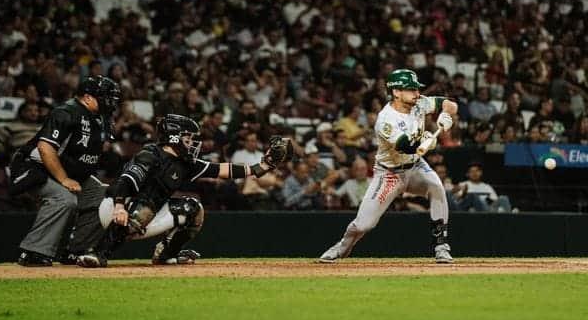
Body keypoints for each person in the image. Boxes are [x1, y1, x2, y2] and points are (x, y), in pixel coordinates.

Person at [73, 114, 292, 267]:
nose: (193, 143)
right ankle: (98, 253)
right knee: (146, 204)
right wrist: (120, 206)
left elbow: (222, 170)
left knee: (193, 208)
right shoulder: (151, 154)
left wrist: (263, 166)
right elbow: (125, 180)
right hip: (116, 208)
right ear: (175, 137)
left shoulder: (188, 163)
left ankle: (166, 254)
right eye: (189, 138)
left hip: (147, 215)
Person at [319, 69, 458, 264]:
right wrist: (428, 141)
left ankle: (441, 246)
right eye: (411, 89)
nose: (416, 93)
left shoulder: (419, 103)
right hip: (390, 173)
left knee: (436, 187)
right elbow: (406, 147)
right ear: (396, 92)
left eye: (416, 89)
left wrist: (445, 115)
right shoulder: (386, 119)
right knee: (364, 224)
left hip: (415, 166)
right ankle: (341, 247)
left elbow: (450, 104)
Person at [12, 75, 120, 266]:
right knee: (64, 199)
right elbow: (45, 148)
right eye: (106, 97)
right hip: (35, 168)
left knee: (106, 198)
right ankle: (33, 252)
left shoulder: (99, 117)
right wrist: (64, 179)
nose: (111, 102)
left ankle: (75, 250)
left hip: (71, 172)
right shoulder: (66, 112)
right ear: (87, 97)